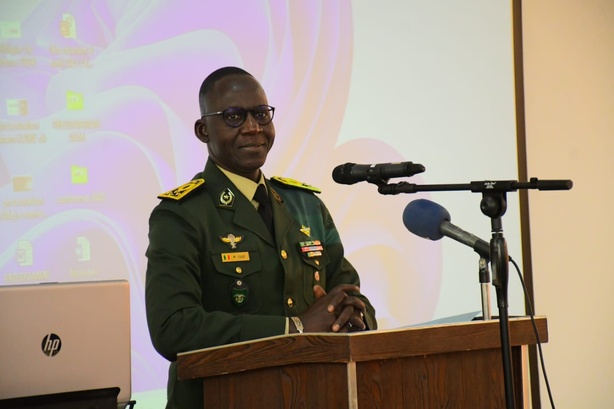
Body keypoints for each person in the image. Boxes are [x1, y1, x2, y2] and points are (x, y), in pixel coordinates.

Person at [145, 66, 377, 409]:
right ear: (203, 130)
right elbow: (172, 328)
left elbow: (350, 293)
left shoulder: (305, 205)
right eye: (234, 116)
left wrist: (356, 317)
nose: (253, 127)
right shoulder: (181, 215)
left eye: (261, 114)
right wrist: (295, 328)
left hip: (311, 394)